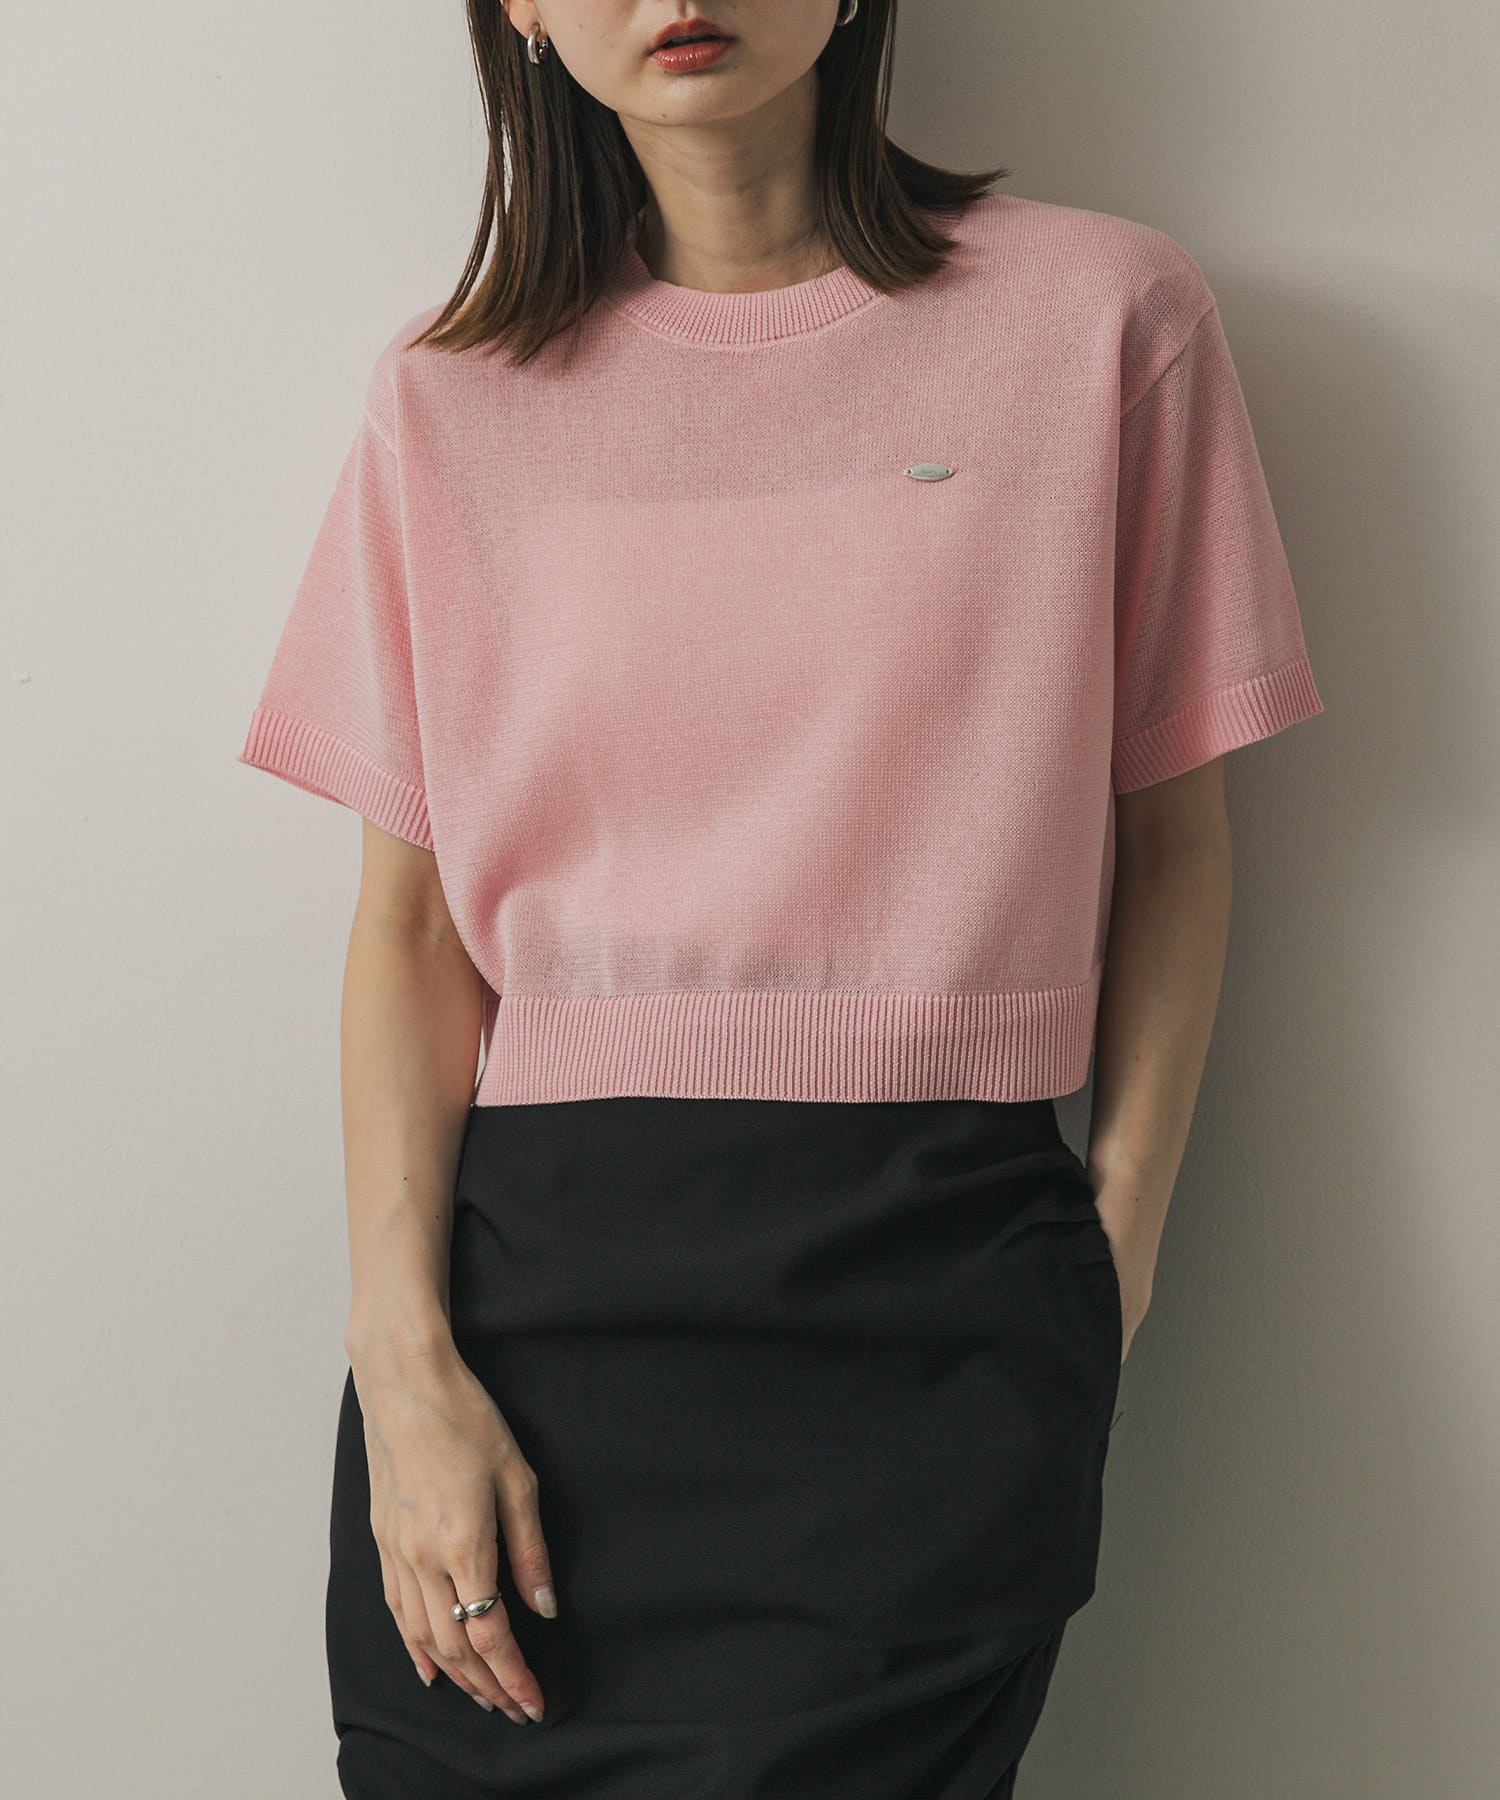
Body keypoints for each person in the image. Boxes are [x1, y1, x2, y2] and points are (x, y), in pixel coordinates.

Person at [237, 3, 1326, 1794]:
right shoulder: (448, 394)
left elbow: (1178, 844)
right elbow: (413, 932)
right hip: (523, 1351)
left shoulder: (1105, 319)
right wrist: (403, 1361)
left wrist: (1103, 1277)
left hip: (936, 1321)